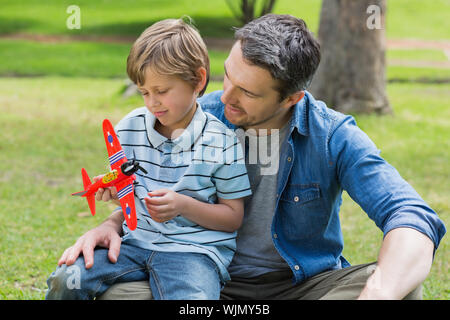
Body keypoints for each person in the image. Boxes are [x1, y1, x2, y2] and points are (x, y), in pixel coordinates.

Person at [57, 14, 446, 300]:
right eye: (227, 75)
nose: (225, 96)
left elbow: (411, 215)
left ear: (291, 97)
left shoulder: (332, 135)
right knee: (106, 292)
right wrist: (113, 223)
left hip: (301, 287)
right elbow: (151, 180)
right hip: (203, 278)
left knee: (402, 287)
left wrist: (379, 292)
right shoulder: (194, 114)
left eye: (248, 92)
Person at [46, 18, 252, 300]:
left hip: (192, 253)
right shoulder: (128, 128)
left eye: (162, 91)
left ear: (198, 80)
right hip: (133, 244)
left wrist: (182, 205)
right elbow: (128, 193)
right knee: (66, 279)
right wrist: (115, 193)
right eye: (144, 92)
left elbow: (233, 217)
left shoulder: (222, 141)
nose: (151, 102)